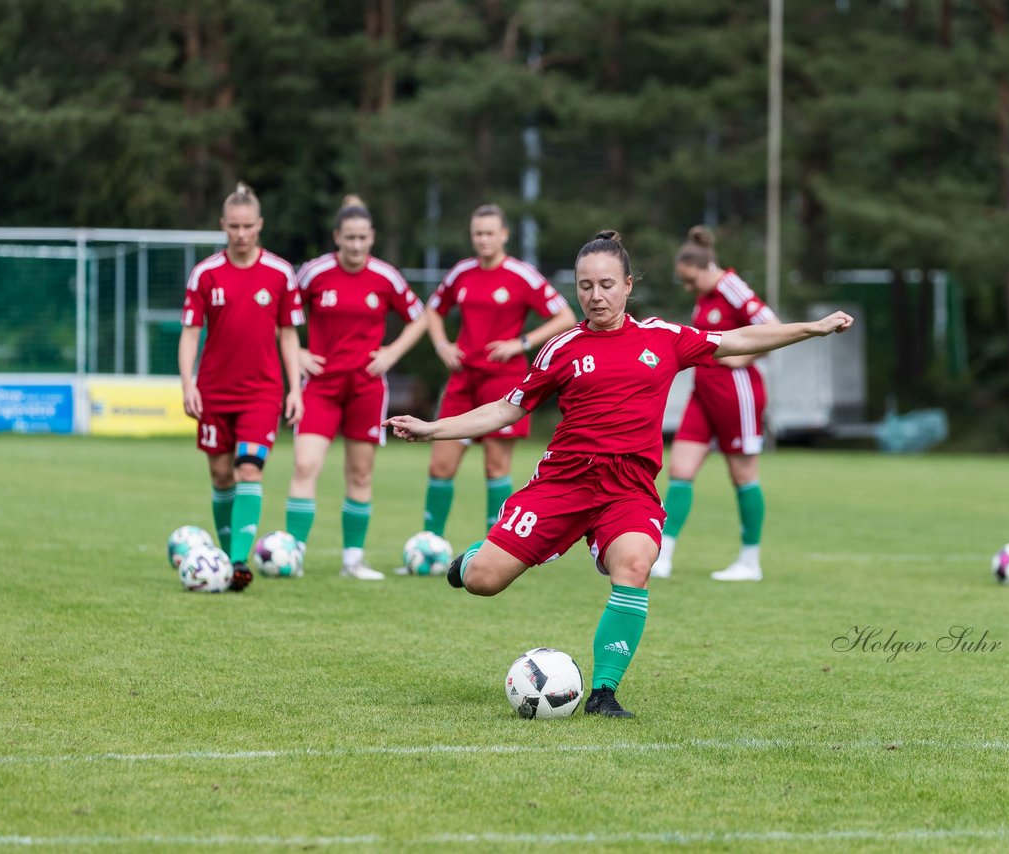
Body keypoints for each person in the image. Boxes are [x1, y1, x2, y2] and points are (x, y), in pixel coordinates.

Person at [386, 231, 852, 717]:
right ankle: (469, 562)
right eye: (585, 286)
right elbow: (506, 410)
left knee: (634, 565)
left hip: (627, 492)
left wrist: (812, 328)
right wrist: (434, 428)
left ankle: (604, 694)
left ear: (628, 285)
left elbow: (737, 339)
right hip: (563, 484)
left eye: (606, 284)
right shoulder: (561, 349)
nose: (595, 295)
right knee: (484, 580)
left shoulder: (662, 339)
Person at [284, 196, 429, 579]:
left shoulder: (386, 277)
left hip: (366, 388)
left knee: (360, 474)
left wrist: (392, 352)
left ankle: (353, 560)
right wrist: (297, 352)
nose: (356, 245)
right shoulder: (314, 273)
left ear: (372, 238)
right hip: (320, 386)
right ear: (337, 237)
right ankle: (292, 555)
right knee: (304, 464)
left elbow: (420, 316)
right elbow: (279, 315)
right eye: (349, 237)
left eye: (362, 237)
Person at [421, 205, 577, 540]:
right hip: (463, 381)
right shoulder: (461, 272)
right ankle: (429, 543)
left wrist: (521, 342)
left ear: (504, 235)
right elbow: (433, 310)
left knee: (495, 468)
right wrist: (442, 345)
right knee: (440, 466)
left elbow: (564, 316)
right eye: (478, 233)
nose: (483, 240)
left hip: (503, 383)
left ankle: (495, 549)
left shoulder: (522, 274)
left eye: (490, 233)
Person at [178, 182, 305, 591]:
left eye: (248, 226)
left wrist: (294, 389)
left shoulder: (281, 273)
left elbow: (288, 334)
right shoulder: (205, 273)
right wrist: (188, 384)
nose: (240, 233)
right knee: (220, 475)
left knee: (247, 468)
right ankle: (224, 554)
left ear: (260, 225)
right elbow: (189, 333)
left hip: (261, 393)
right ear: (222, 225)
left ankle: (237, 563)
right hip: (214, 390)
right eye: (233, 226)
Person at [651, 226, 780, 582]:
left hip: (736, 393)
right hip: (703, 393)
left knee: (742, 475)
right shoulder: (705, 296)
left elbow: (773, 326)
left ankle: (750, 562)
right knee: (680, 469)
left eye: (690, 280)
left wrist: (746, 358)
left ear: (706, 268)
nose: (689, 288)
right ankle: (662, 555)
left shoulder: (731, 287)